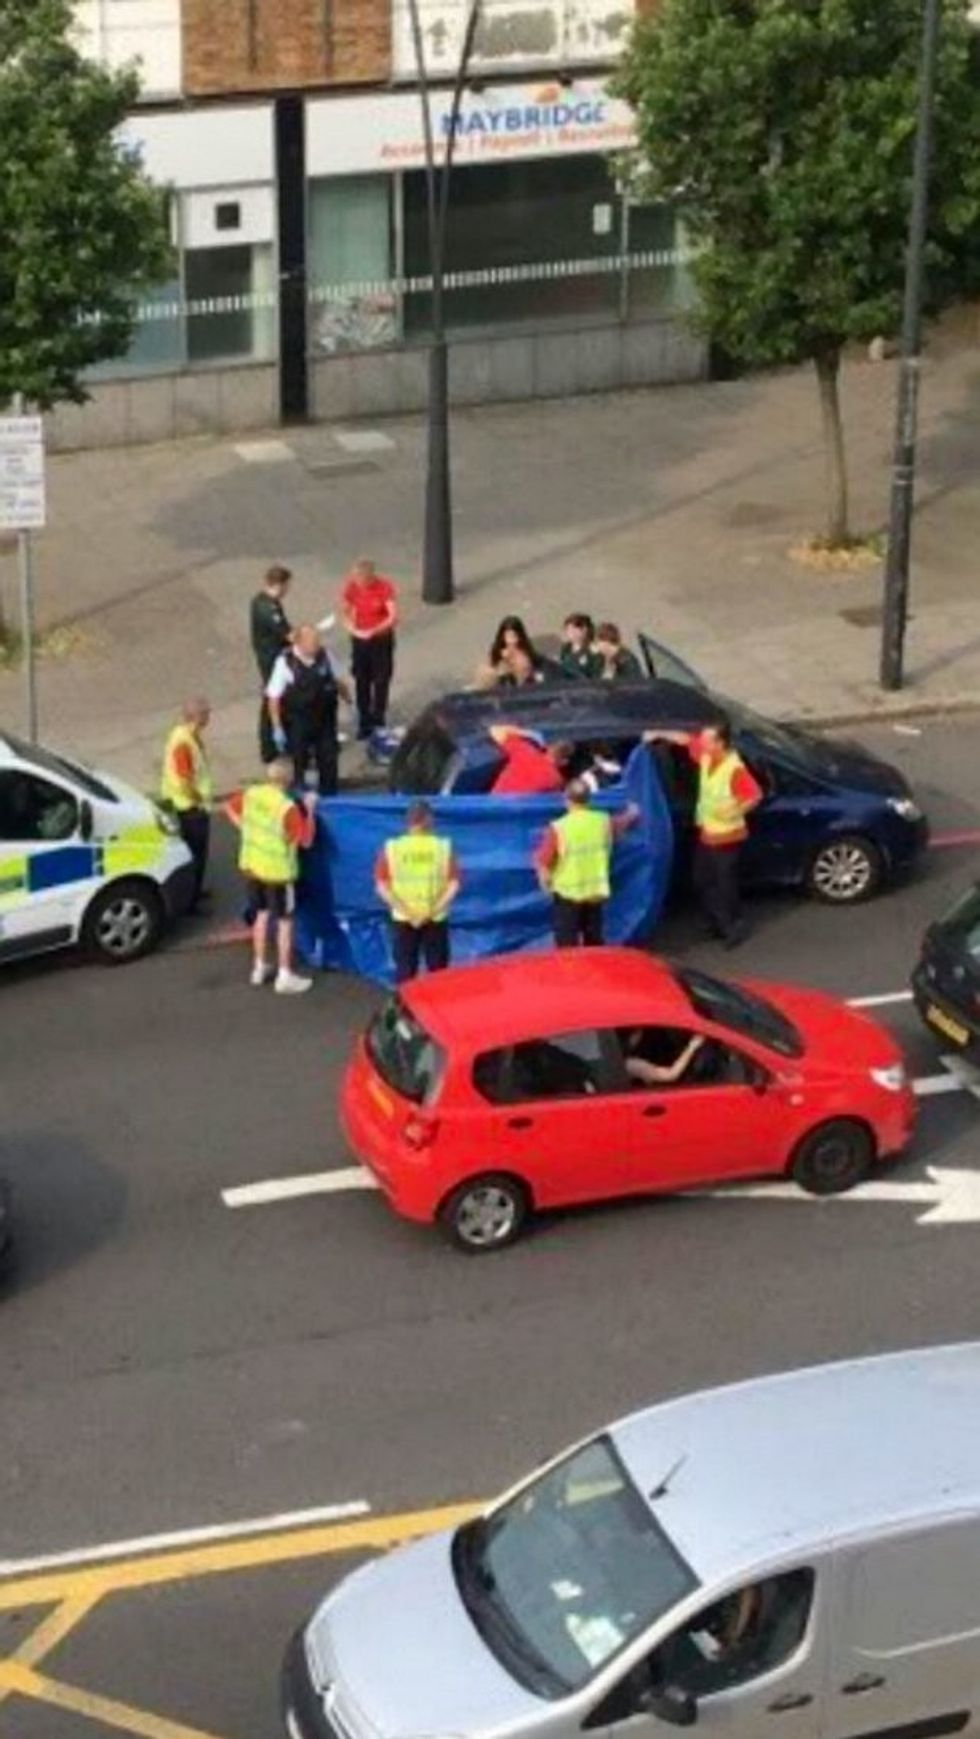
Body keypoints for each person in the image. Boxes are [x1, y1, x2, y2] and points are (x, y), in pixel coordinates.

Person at [644, 719, 762, 946]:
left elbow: (754, 796)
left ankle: (731, 927)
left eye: (707, 740)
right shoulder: (708, 756)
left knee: (724, 885)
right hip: (708, 832)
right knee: (702, 879)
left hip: (726, 836)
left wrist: (734, 811)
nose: (702, 742)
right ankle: (715, 921)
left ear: (720, 743)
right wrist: (657, 732)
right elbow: (685, 739)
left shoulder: (733, 769)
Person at [224, 759, 316, 994]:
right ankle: (284, 974)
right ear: (289, 780)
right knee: (284, 921)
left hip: (253, 866)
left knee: (261, 916)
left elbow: (229, 808)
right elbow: (306, 841)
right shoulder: (287, 808)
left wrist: (245, 828)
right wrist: (311, 810)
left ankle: (259, 966)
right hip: (278, 873)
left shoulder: (253, 794)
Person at [535, 779, 639, 947]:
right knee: (594, 941)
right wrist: (633, 811)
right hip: (594, 894)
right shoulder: (603, 822)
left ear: (566, 799)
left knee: (567, 945)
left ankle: (572, 973)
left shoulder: (559, 828)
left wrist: (545, 885)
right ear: (589, 799)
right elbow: (624, 822)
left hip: (567, 896)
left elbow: (544, 863)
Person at [375, 802, 461, 983]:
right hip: (435, 918)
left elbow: (382, 887)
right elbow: (454, 885)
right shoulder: (443, 848)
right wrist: (431, 911)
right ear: (428, 820)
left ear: (408, 822)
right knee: (438, 970)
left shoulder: (392, 849)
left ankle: (407, 1008)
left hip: (404, 919)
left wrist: (408, 912)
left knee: (406, 970)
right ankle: (438, 1006)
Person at [266, 624, 352, 796]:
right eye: (312, 642)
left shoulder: (325, 656)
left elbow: (337, 680)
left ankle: (329, 796)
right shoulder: (285, 663)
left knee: (328, 759)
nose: (316, 645)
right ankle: (300, 796)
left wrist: (350, 703)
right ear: (299, 643)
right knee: (299, 761)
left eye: (317, 641)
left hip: (325, 718)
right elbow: (273, 697)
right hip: (299, 720)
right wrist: (277, 727)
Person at [159, 698, 213, 907]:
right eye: (207, 713)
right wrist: (198, 799)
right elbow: (184, 779)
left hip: (186, 804)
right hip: (189, 808)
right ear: (198, 717)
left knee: (197, 854)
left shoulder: (185, 735)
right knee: (195, 855)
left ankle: (195, 893)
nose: (209, 717)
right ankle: (191, 900)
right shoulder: (184, 742)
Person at [341, 557, 398, 740]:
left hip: (380, 639)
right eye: (357, 579)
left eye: (362, 579)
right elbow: (345, 611)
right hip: (360, 640)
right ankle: (364, 722)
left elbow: (393, 616)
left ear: (370, 576)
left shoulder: (384, 588)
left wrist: (374, 630)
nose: (359, 583)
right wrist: (353, 629)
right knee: (361, 680)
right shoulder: (352, 588)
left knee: (381, 680)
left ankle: (378, 718)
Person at [250, 565, 293, 762]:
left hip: (270, 656)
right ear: (280, 584)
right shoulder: (269, 608)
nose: (288, 589)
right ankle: (269, 748)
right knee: (273, 699)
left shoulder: (261, 601)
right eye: (287, 585)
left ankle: (275, 743)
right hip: (272, 659)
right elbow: (286, 633)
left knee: (275, 699)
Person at [489, 726, 574, 796]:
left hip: (492, 804)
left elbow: (495, 730)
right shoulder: (556, 781)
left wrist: (528, 733)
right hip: (516, 812)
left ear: (548, 748)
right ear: (564, 762)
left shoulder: (525, 750)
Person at [624, 1030, 704, 1088]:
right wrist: (692, 1046)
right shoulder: (630, 1065)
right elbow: (671, 1074)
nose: (640, 1034)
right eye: (637, 1031)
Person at [559, 613, 602, 680]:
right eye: (568, 630)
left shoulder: (593, 651)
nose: (571, 633)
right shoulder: (566, 649)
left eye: (573, 630)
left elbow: (596, 674)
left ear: (585, 630)